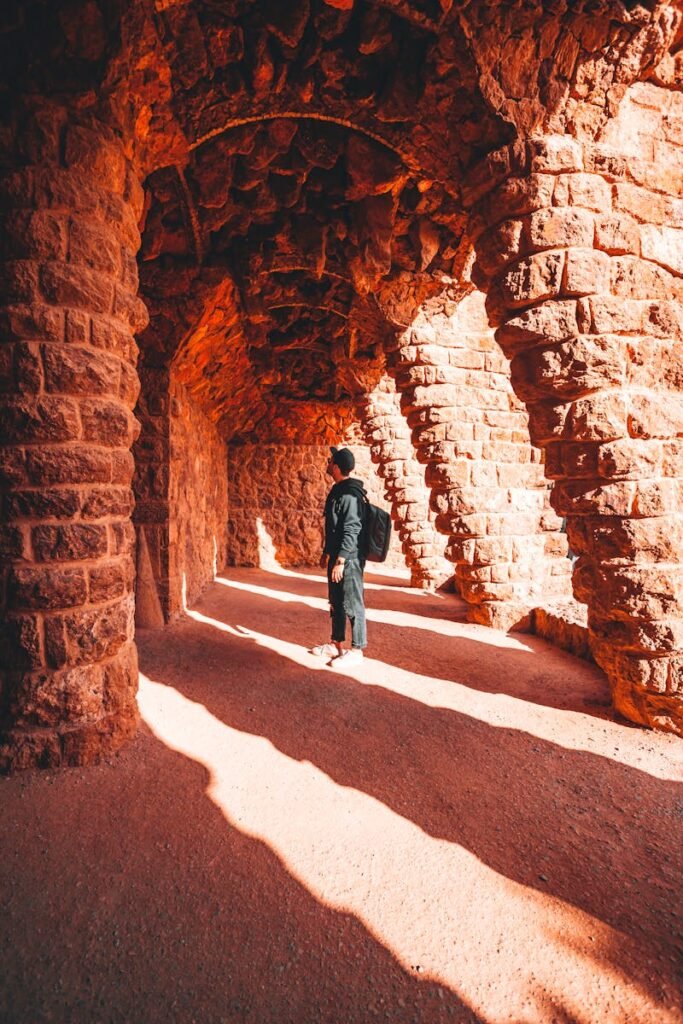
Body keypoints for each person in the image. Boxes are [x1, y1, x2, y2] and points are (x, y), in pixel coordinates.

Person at [310, 446, 368, 666]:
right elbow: (334, 526)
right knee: (336, 601)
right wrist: (328, 553)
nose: (327, 463)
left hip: (349, 559)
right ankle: (336, 645)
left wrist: (342, 560)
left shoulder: (350, 494)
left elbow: (352, 528)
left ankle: (357, 650)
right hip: (337, 556)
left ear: (335, 466)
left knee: (353, 602)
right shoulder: (339, 489)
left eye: (329, 460)